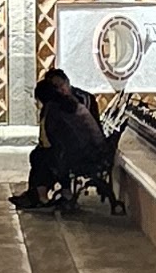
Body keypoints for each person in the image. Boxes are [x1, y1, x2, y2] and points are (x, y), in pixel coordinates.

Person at [12, 64, 110, 210]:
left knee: (43, 157)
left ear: (68, 82)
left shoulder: (79, 101)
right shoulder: (62, 104)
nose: (60, 89)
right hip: (79, 148)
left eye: (61, 85)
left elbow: (53, 138)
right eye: (56, 87)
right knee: (42, 155)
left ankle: (41, 195)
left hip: (87, 151)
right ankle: (40, 194)